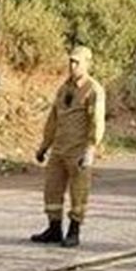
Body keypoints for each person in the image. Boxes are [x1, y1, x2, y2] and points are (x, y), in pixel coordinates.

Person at [30, 46, 105, 248]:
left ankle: (74, 231)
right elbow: (53, 119)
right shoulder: (64, 89)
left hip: (78, 150)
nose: (72, 66)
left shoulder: (93, 90)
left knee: (78, 192)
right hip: (59, 149)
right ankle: (54, 229)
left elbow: (96, 122)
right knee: (52, 190)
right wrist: (44, 146)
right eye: (70, 62)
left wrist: (90, 149)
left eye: (77, 62)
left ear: (88, 64)